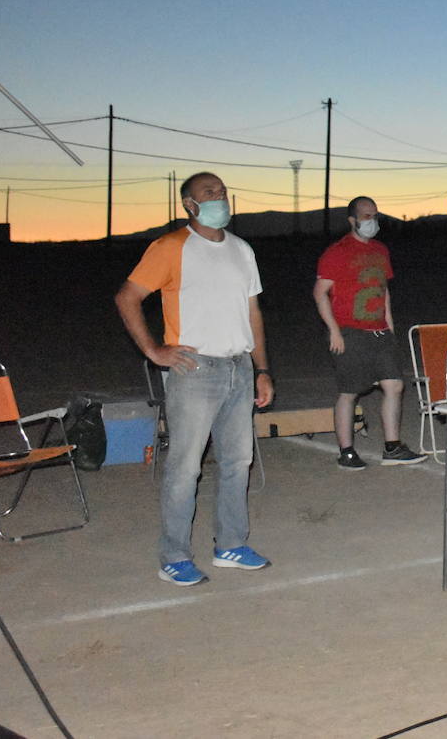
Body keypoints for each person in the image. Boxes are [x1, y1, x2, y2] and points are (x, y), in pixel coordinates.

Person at [115, 171, 273, 586]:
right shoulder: (171, 247)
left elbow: (253, 314)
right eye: (209, 193)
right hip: (194, 370)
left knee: (238, 461)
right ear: (189, 204)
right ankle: (174, 556)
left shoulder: (242, 249)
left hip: (239, 367)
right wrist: (154, 351)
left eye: (222, 192)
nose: (219, 198)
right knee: (186, 468)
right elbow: (127, 297)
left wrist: (262, 370)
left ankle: (231, 545)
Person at [314, 196, 424, 470]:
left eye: (375, 215)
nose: (372, 221)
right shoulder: (337, 251)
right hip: (350, 332)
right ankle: (347, 451)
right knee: (350, 392)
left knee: (394, 385)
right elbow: (320, 293)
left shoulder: (380, 250)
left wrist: (389, 325)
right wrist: (334, 332)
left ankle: (392, 447)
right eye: (366, 216)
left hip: (379, 331)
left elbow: (383, 290)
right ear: (352, 220)